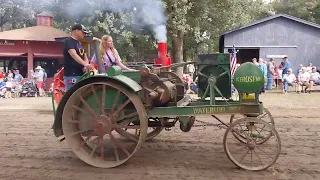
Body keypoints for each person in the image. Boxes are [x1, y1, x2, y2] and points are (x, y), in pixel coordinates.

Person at [63, 24, 93, 91]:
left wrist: (86, 65)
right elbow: (74, 55)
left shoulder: (80, 44)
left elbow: (85, 57)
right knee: (72, 96)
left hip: (81, 74)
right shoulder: (68, 41)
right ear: (76, 31)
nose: (84, 34)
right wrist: (85, 64)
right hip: (71, 75)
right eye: (83, 32)